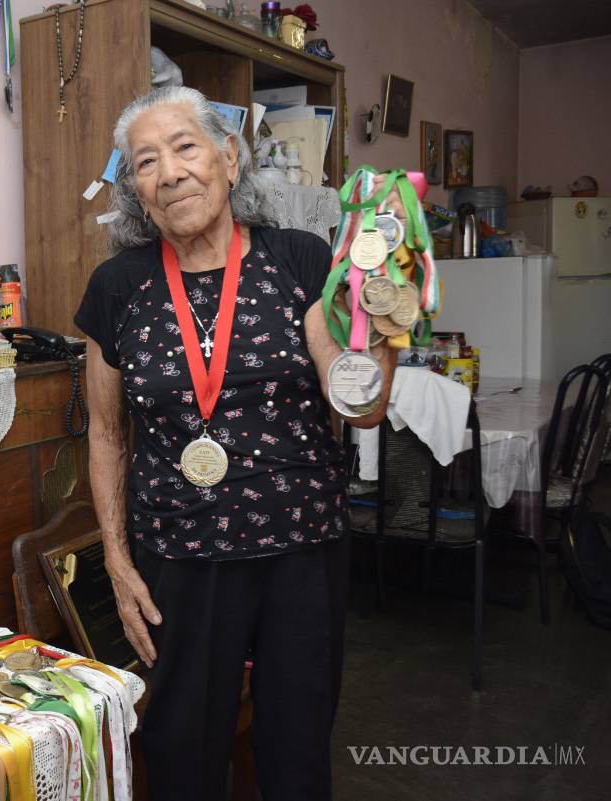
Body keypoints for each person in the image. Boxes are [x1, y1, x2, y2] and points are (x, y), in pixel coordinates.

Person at [74, 86, 400, 801]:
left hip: (300, 555)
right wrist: (117, 556)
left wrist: (384, 319)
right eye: (146, 162)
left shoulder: (298, 259)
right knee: (181, 756)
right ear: (136, 189)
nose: (169, 172)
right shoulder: (118, 286)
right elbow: (104, 432)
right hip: (180, 564)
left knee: (296, 756)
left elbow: (362, 406)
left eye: (186, 147)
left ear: (228, 158)